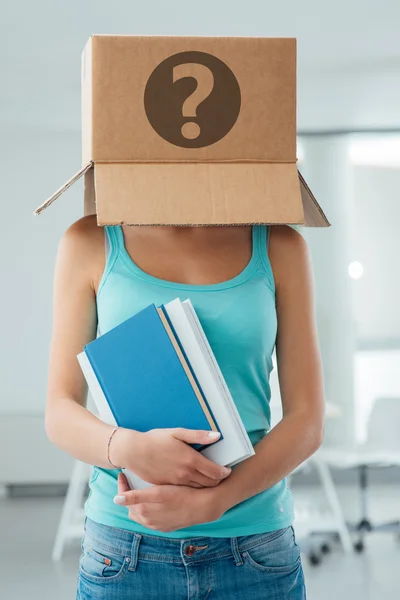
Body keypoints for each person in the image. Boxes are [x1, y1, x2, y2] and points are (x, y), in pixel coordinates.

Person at [45, 216, 324, 599]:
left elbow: (307, 420)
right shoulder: (90, 240)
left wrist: (216, 501)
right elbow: (59, 410)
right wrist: (129, 448)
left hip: (254, 549)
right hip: (125, 553)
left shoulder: (280, 245)